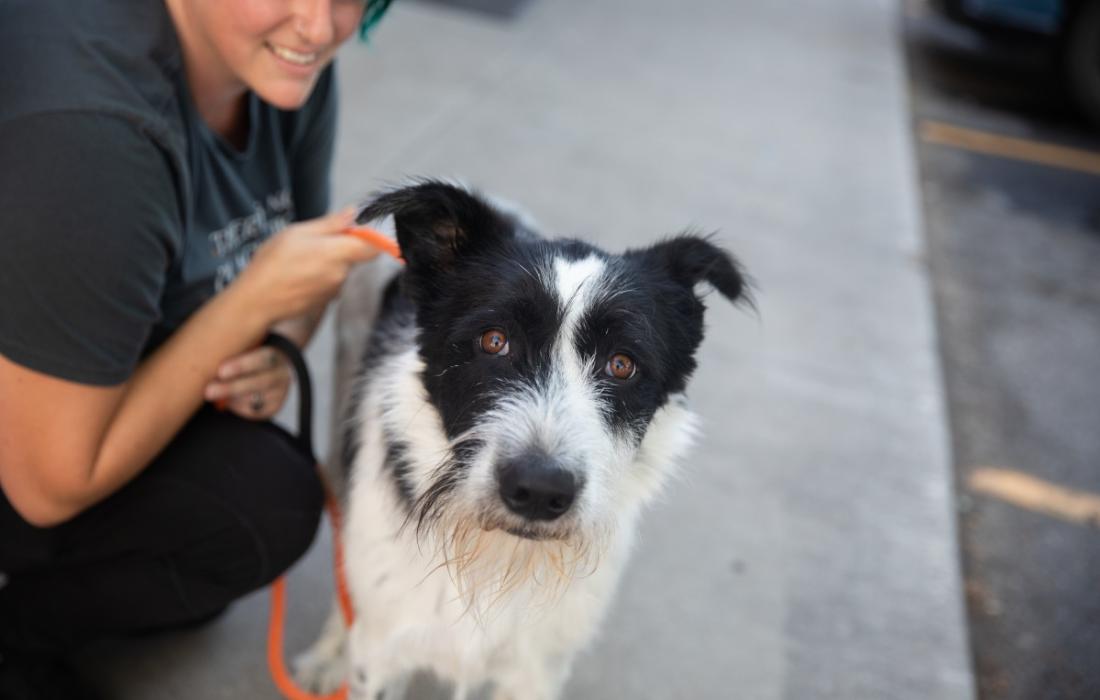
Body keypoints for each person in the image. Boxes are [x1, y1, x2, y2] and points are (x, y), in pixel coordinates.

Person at [0, 0, 392, 696]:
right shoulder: (93, 134)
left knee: (240, 522)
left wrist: (274, 341)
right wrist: (248, 305)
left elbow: (302, 273)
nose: (319, 26)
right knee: (224, 523)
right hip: (28, 444)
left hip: (84, 388)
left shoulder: (283, 65)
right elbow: (45, 486)